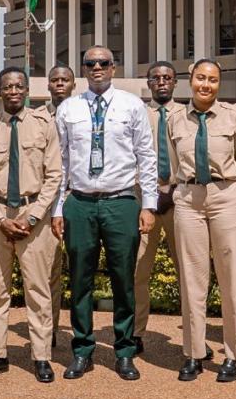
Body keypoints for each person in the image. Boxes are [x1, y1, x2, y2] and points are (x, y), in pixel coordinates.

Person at [51, 45, 157, 381]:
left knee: (123, 279)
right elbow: (61, 163)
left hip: (121, 201)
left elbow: (147, 156)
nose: (97, 67)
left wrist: (149, 204)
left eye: (103, 63)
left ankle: (124, 351)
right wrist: (57, 207)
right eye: (90, 63)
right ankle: (82, 350)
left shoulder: (131, 105)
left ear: (113, 67)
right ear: (83, 69)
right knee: (79, 280)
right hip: (80, 203)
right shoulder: (68, 108)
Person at [0, 68, 63, 383]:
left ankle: (41, 357)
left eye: (18, 86)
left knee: (38, 291)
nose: (13, 91)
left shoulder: (43, 126)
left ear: (26, 90)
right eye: (7, 86)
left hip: (33, 218)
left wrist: (34, 215)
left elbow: (54, 175)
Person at [166, 59, 236, 382]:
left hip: (225, 197)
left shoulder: (234, 117)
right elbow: (175, 164)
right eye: (200, 78)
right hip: (189, 200)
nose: (206, 85)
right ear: (191, 80)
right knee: (192, 281)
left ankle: (234, 354)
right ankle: (194, 352)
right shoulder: (175, 120)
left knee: (232, 280)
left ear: (219, 83)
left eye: (212, 80)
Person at [135, 60, 184, 357]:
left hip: (181, 201)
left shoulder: (188, 114)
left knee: (189, 273)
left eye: (167, 78)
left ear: (175, 82)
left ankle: (193, 334)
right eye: (156, 78)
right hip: (146, 203)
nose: (162, 82)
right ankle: (136, 333)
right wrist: (151, 196)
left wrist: (173, 191)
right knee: (139, 270)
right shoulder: (137, 115)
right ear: (149, 82)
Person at [41, 63, 75, 344]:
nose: (60, 84)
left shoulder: (84, 113)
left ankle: (80, 330)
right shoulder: (38, 118)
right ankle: (48, 329)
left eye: (65, 80)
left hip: (78, 196)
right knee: (49, 270)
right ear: (48, 85)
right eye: (55, 80)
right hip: (47, 200)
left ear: (74, 85)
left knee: (79, 268)